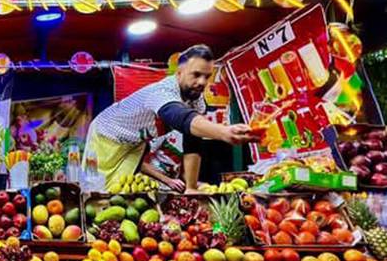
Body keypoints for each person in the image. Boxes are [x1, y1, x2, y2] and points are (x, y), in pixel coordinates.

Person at [83, 44, 258, 191]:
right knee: (96, 189)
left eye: (207, 76)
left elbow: (193, 141)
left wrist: (190, 187)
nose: (203, 83)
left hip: (134, 144)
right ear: (179, 73)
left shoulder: (195, 100)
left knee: (121, 191)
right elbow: (179, 117)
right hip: (105, 135)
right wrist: (223, 132)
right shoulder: (162, 91)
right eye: (196, 75)